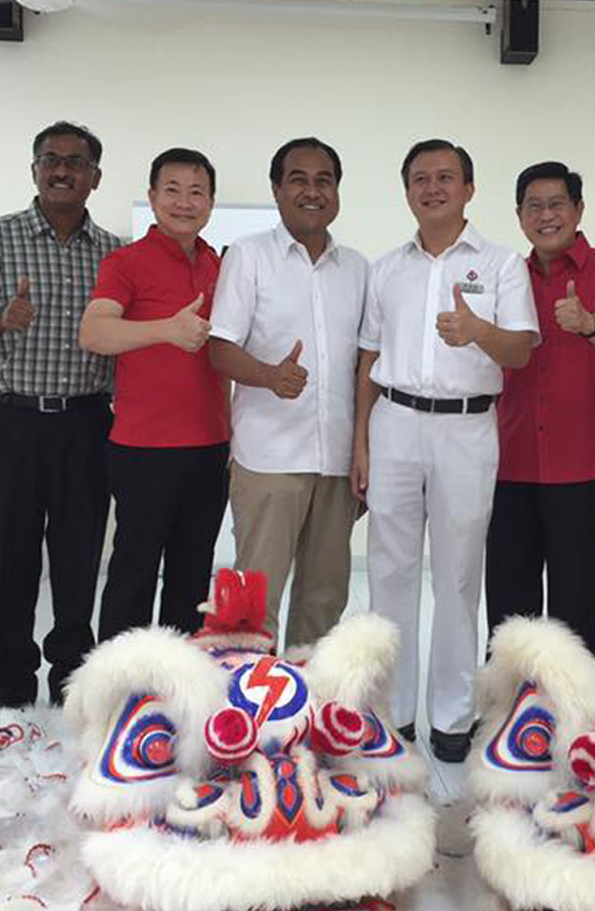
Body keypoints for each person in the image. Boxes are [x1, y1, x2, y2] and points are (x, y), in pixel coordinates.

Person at [353, 139, 539, 762]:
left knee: (458, 577)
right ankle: (393, 714)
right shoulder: (386, 269)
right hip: (395, 423)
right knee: (389, 572)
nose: (432, 188)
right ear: (406, 190)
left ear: (468, 188)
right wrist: (361, 442)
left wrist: (478, 330)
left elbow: (520, 351)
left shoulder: (501, 264)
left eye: (445, 177)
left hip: (467, 428)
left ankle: (454, 717)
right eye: (420, 179)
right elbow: (368, 359)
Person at [0, 121, 120, 709]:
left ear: (95, 177)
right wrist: (0, 319)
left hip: (88, 425)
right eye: (50, 159)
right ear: (35, 170)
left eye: (75, 162)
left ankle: (72, 681)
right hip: (13, 425)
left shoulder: (114, 254)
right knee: (12, 560)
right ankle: (11, 689)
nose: (62, 170)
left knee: (78, 561)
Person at [207, 138, 367, 650]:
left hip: (335, 461)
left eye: (324, 180)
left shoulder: (357, 268)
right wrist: (268, 375)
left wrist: (364, 450)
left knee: (324, 599)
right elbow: (219, 348)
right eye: (298, 179)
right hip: (269, 458)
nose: (312, 191)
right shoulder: (249, 256)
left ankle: (308, 694)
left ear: (337, 192)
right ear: (277, 189)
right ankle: (249, 696)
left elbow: (366, 364)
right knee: (254, 601)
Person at [487, 161, 595, 655]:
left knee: (576, 604)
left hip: (582, 462)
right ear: (519, 216)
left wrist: (589, 324)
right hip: (510, 459)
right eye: (533, 206)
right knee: (509, 605)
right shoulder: (506, 275)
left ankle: (571, 699)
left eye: (557, 204)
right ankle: (510, 697)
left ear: (578, 209)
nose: (546, 215)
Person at [80, 147, 230, 641]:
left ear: (210, 202)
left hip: (210, 447)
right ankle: (120, 684)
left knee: (192, 579)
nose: (184, 202)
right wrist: (166, 329)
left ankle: (179, 681)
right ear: (152, 197)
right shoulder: (126, 262)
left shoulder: (218, 264)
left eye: (197, 192)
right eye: (173, 190)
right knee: (133, 576)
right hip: (143, 449)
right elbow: (94, 332)